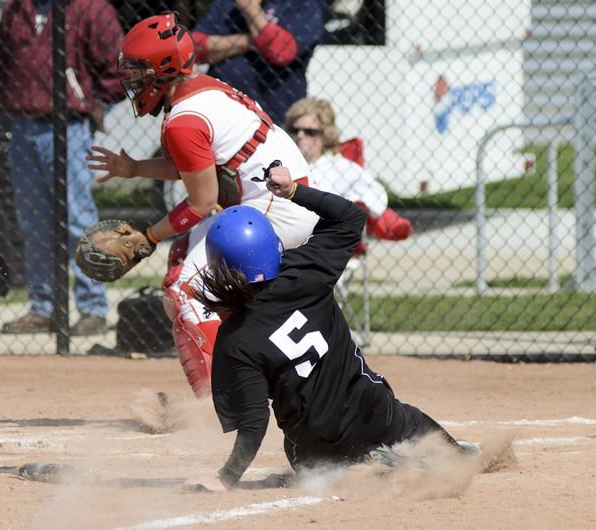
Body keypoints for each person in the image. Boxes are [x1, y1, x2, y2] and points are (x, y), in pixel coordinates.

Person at [185, 166, 473, 491]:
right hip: (373, 413)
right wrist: (293, 190)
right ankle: (456, 457)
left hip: (313, 448)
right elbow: (350, 216)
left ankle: (363, 470)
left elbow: (254, 423)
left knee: (308, 465)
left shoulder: (235, 338)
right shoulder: (306, 273)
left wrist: (227, 477)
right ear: (271, 245)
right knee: (412, 421)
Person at [87, 12, 318, 397]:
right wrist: (133, 168)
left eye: (140, 71)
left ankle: (218, 402)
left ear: (164, 69)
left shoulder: (183, 120)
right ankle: (242, 378)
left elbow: (201, 201)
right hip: (279, 197)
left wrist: (147, 236)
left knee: (182, 290)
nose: (133, 81)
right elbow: (196, 169)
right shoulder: (201, 88)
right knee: (187, 258)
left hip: (277, 207)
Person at [0, 0, 125, 335]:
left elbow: (120, 67)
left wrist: (95, 102)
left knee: (78, 218)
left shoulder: (90, 8)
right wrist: (13, 95)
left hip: (69, 126)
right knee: (33, 220)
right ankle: (44, 307)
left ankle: (93, 307)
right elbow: (2, 56)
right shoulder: (16, 9)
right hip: (23, 126)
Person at [285, 97, 413, 245]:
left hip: (323, 243)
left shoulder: (340, 167)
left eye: (310, 132)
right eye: (295, 130)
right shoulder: (284, 163)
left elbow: (376, 196)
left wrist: (351, 205)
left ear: (326, 135)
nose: (300, 136)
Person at [191, 0, 324, 125]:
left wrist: (250, 8)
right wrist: (252, 41)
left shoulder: (303, 5)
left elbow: (281, 52)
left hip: (274, 117)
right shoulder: (228, 3)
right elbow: (193, 48)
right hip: (222, 111)